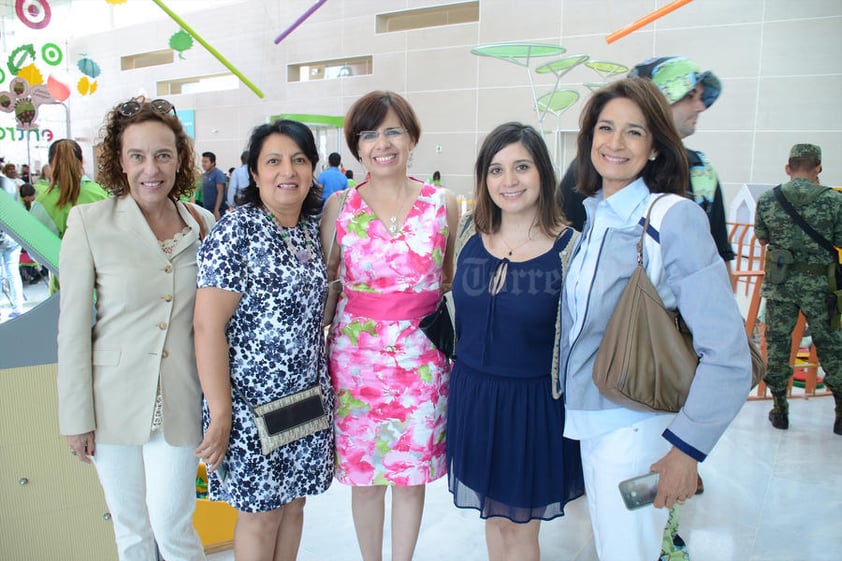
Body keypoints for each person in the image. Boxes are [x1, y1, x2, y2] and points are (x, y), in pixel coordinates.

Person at [559, 78, 752, 561]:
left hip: (640, 433)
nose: (615, 143)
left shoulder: (672, 218)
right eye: (605, 128)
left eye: (634, 132)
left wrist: (686, 451)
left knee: (633, 551)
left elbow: (728, 353)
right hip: (594, 427)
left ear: (654, 149)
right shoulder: (595, 218)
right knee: (622, 547)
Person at [58, 97, 214, 561]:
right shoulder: (89, 222)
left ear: (180, 159)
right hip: (111, 404)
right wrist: (75, 416)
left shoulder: (202, 224)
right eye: (138, 156)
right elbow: (71, 328)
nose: (152, 168)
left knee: (173, 528)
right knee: (130, 533)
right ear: (119, 161)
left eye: (163, 155)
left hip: (182, 400)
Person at [320, 90, 458, 561]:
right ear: (357, 146)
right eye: (370, 133)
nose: (383, 143)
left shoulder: (443, 204)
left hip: (422, 359)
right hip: (356, 362)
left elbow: (448, 278)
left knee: (410, 477)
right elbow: (329, 285)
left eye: (394, 130)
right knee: (365, 478)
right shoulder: (339, 207)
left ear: (413, 137)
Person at [193, 119, 335, 560]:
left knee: (294, 504)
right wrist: (220, 412)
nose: (287, 171)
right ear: (254, 173)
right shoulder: (236, 231)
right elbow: (206, 326)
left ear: (312, 169)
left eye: (298, 159)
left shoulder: (310, 233)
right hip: (251, 407)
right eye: (273, 161)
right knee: (261, 514)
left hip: (307, 397)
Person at [446, 122, 584, 561]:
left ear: (542, 172)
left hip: (531, 405)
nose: (509, 181)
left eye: (521, 167)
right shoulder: (469, 231)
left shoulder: (570, 248)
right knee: (493, 516)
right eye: (496, 169)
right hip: (473, 396)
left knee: (520, 528)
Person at [562, 56, 735, 270]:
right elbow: (563, 248)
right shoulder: (589, 170)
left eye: (634, 132)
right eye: (689, 95)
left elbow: (718, 261)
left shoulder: (701, 172)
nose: (700, 107)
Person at [754, 143, 842, 434]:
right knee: (832, 346)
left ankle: (780, 410)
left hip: (781, 285)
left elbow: (763, 238)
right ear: (818, 167)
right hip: (822, 286)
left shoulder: (768, 199)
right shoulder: (834, 200)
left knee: (778, 346)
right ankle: (841, 414)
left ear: (788, 168)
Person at [33, 139, 109, 238]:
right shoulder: (101, 193)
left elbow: (36, 244)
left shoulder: (43, 202)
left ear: (51, 165)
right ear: (81, 162)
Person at [0, 175, 24, 319]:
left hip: (3, 235)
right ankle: (18, 308)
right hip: (12, 236)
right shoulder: (10, 184)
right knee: (13, 272)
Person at [201, 150, 228, 219]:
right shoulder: (205, 175)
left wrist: (216, 210)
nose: (203, 164)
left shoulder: (218, 174)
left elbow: (220, 192)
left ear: (213, 163)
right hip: (206, 210)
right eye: (203, 162)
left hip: (217, 211)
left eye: (206, 162)